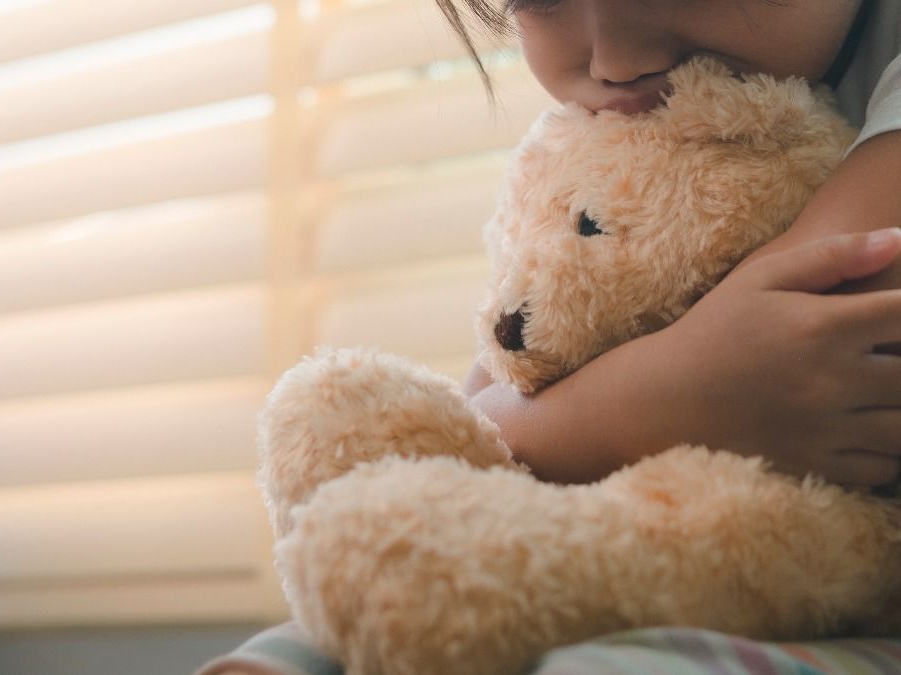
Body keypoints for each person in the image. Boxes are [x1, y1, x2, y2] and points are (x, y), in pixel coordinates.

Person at [194, 1, 901, 673]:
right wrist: (671, 390)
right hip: (682, 546)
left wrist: (636, 399)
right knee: (338, 622)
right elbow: (497, 405)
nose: (616, 61)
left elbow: (815, 336)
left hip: (860, 585)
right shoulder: (626, 134)